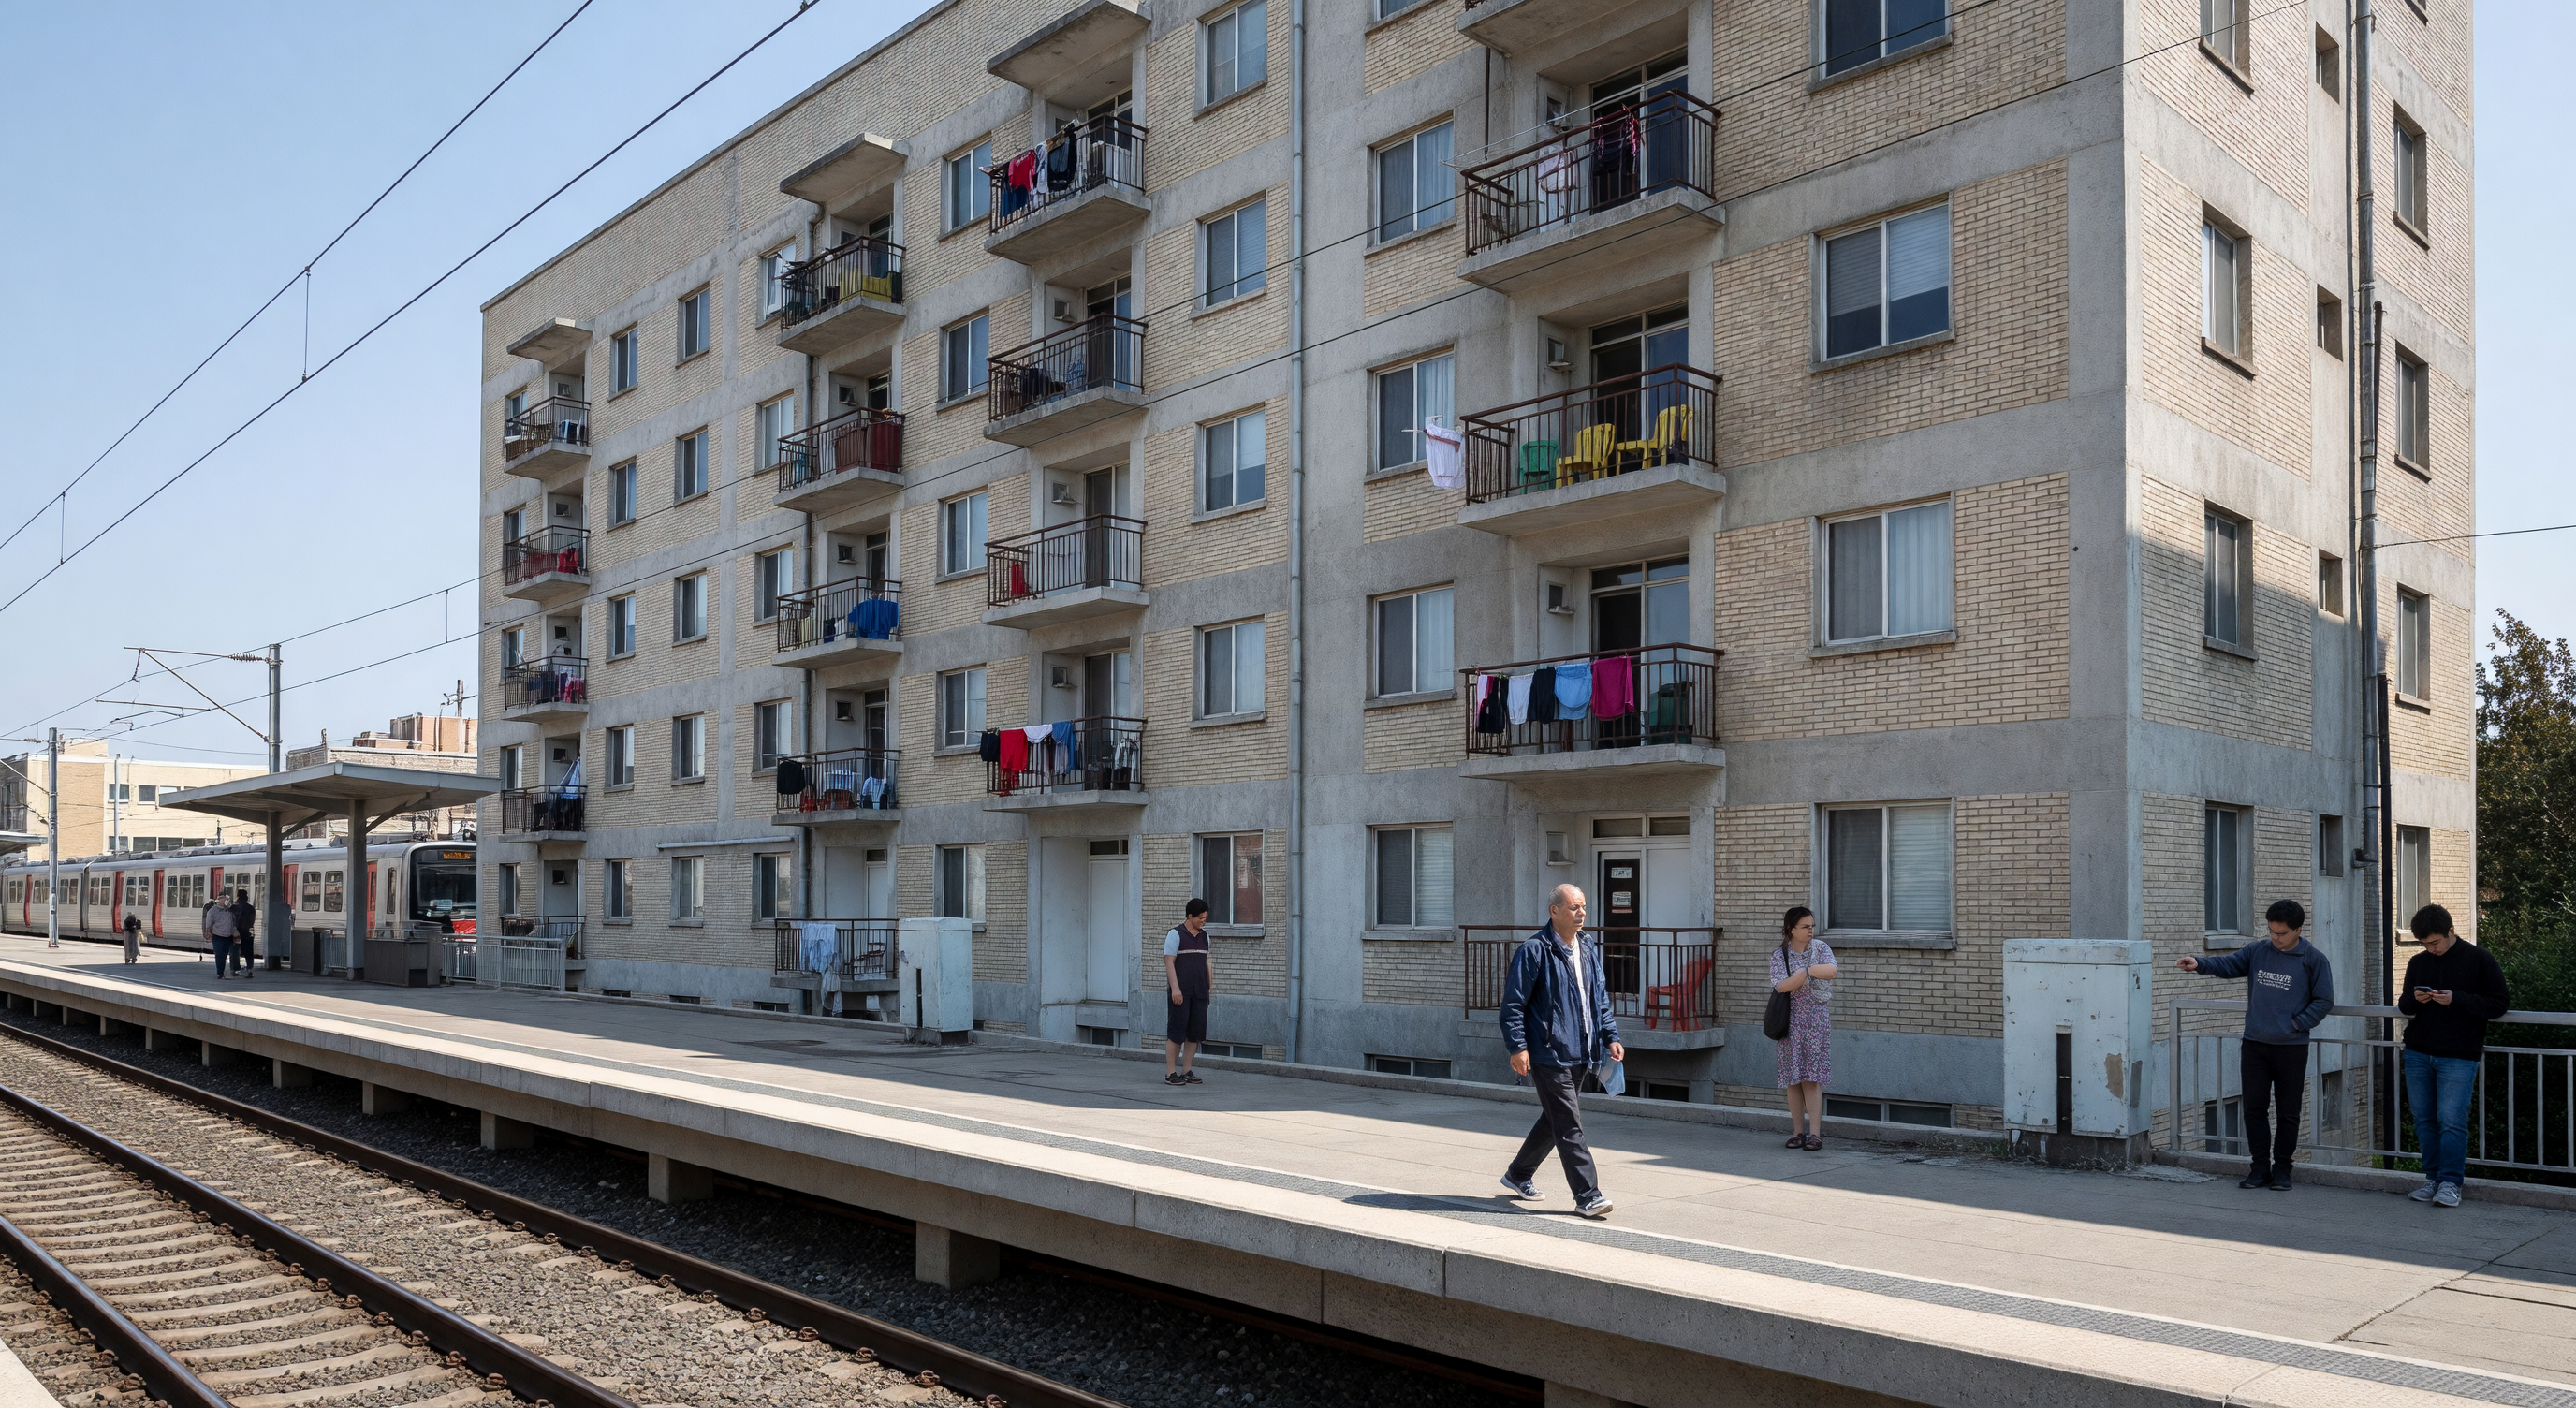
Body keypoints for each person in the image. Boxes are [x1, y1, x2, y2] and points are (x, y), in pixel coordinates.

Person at [2178, 899, 2334, 1190]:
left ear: (2298, 929)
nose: (2275, 938)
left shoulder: (2313, 959)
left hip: (2291, 1048)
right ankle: (2259, 1168)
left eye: (2282, 933)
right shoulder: (2258, 950)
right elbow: (2229, 964)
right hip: (2255, 1045)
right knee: (2254, 1109)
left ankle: (2283, 1169)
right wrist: (2200, 963)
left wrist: (2297, 1023)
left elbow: (2324, 1000)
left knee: (2288, 1112)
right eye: (2272, 931)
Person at [1498, 883, 1624, 1220]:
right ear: (1554, 911)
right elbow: (1512, 1005)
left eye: (1583, 907)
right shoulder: (1534, 951)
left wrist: (1609, 1035)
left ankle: (1519, 1173)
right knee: (1569, 1123)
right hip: (1547, 1053)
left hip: (1580, 1051)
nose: (1581, 913)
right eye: (1573, 907)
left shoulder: (1587, 947)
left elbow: (1599, 997)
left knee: (1554, 1118)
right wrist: (1518, 1046)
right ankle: (1587, 1195)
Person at [2398, 904, 2510, 1208]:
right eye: (2425, 944)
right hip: (2419, 1051)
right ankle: (2432, 1178)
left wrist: (2456, 1000)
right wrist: (2417, 999)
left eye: (2435, 942)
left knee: (2451, 1119)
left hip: (2459, 1054)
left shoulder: (2479, 959)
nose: (2430, 949)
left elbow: (2499, 1003)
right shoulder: (2418, 962)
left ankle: (2451, 1183)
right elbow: (2404, 1006)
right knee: (2423, 1119)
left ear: (2451, 932)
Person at [1770, 907, 1837, 1151]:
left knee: (1811, 1078)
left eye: (1812, 926)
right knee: (1792, 1079)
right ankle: (1798, 1132)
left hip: (1816, 1022)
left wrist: (1806, 971)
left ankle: (1815, 1134)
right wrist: (1805, 975)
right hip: (1790, 1023)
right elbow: (1781, 986)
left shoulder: (1820, 948)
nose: (1811, 930)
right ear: (1791, 929)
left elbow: (1831, 971)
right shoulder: (1780, 956)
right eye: (1805, 926)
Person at [1163, 899, 1215, 1087]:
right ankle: (1171, 1073)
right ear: (1190, 916)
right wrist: (1175, 989)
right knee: (1177, 1032)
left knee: (1195, 1033)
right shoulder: (1175, 935)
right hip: (1181, 992)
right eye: (1201, 917)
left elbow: (1206, 962)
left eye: (1206, 917)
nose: (1203, 921)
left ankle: (1186, 1071)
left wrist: (1209, 986)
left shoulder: (1205, 936)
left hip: (1200, 991)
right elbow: (1169, 962)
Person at [206, 894, 237, 979]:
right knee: (219, 954)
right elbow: (209, 923)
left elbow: (233, 923)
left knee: (225, 954)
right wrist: (208, 934)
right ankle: (220, 972)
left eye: (226, 898)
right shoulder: (213, 911)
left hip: (229, 936)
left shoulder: (230, 910)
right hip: (218, 936)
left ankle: (224, 971)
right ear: (218, 899)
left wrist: (235, 935)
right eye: (223, 898)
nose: (225, 900)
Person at [229, 889, 258, 980]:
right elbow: (251, 921)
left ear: (237, 896)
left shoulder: (233, 908)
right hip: (246, 932)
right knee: (248, 953)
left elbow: (230, 921)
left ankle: (234, 969)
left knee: (234, 951)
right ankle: (249, 969)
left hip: (235, 932)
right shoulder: (250, 908)